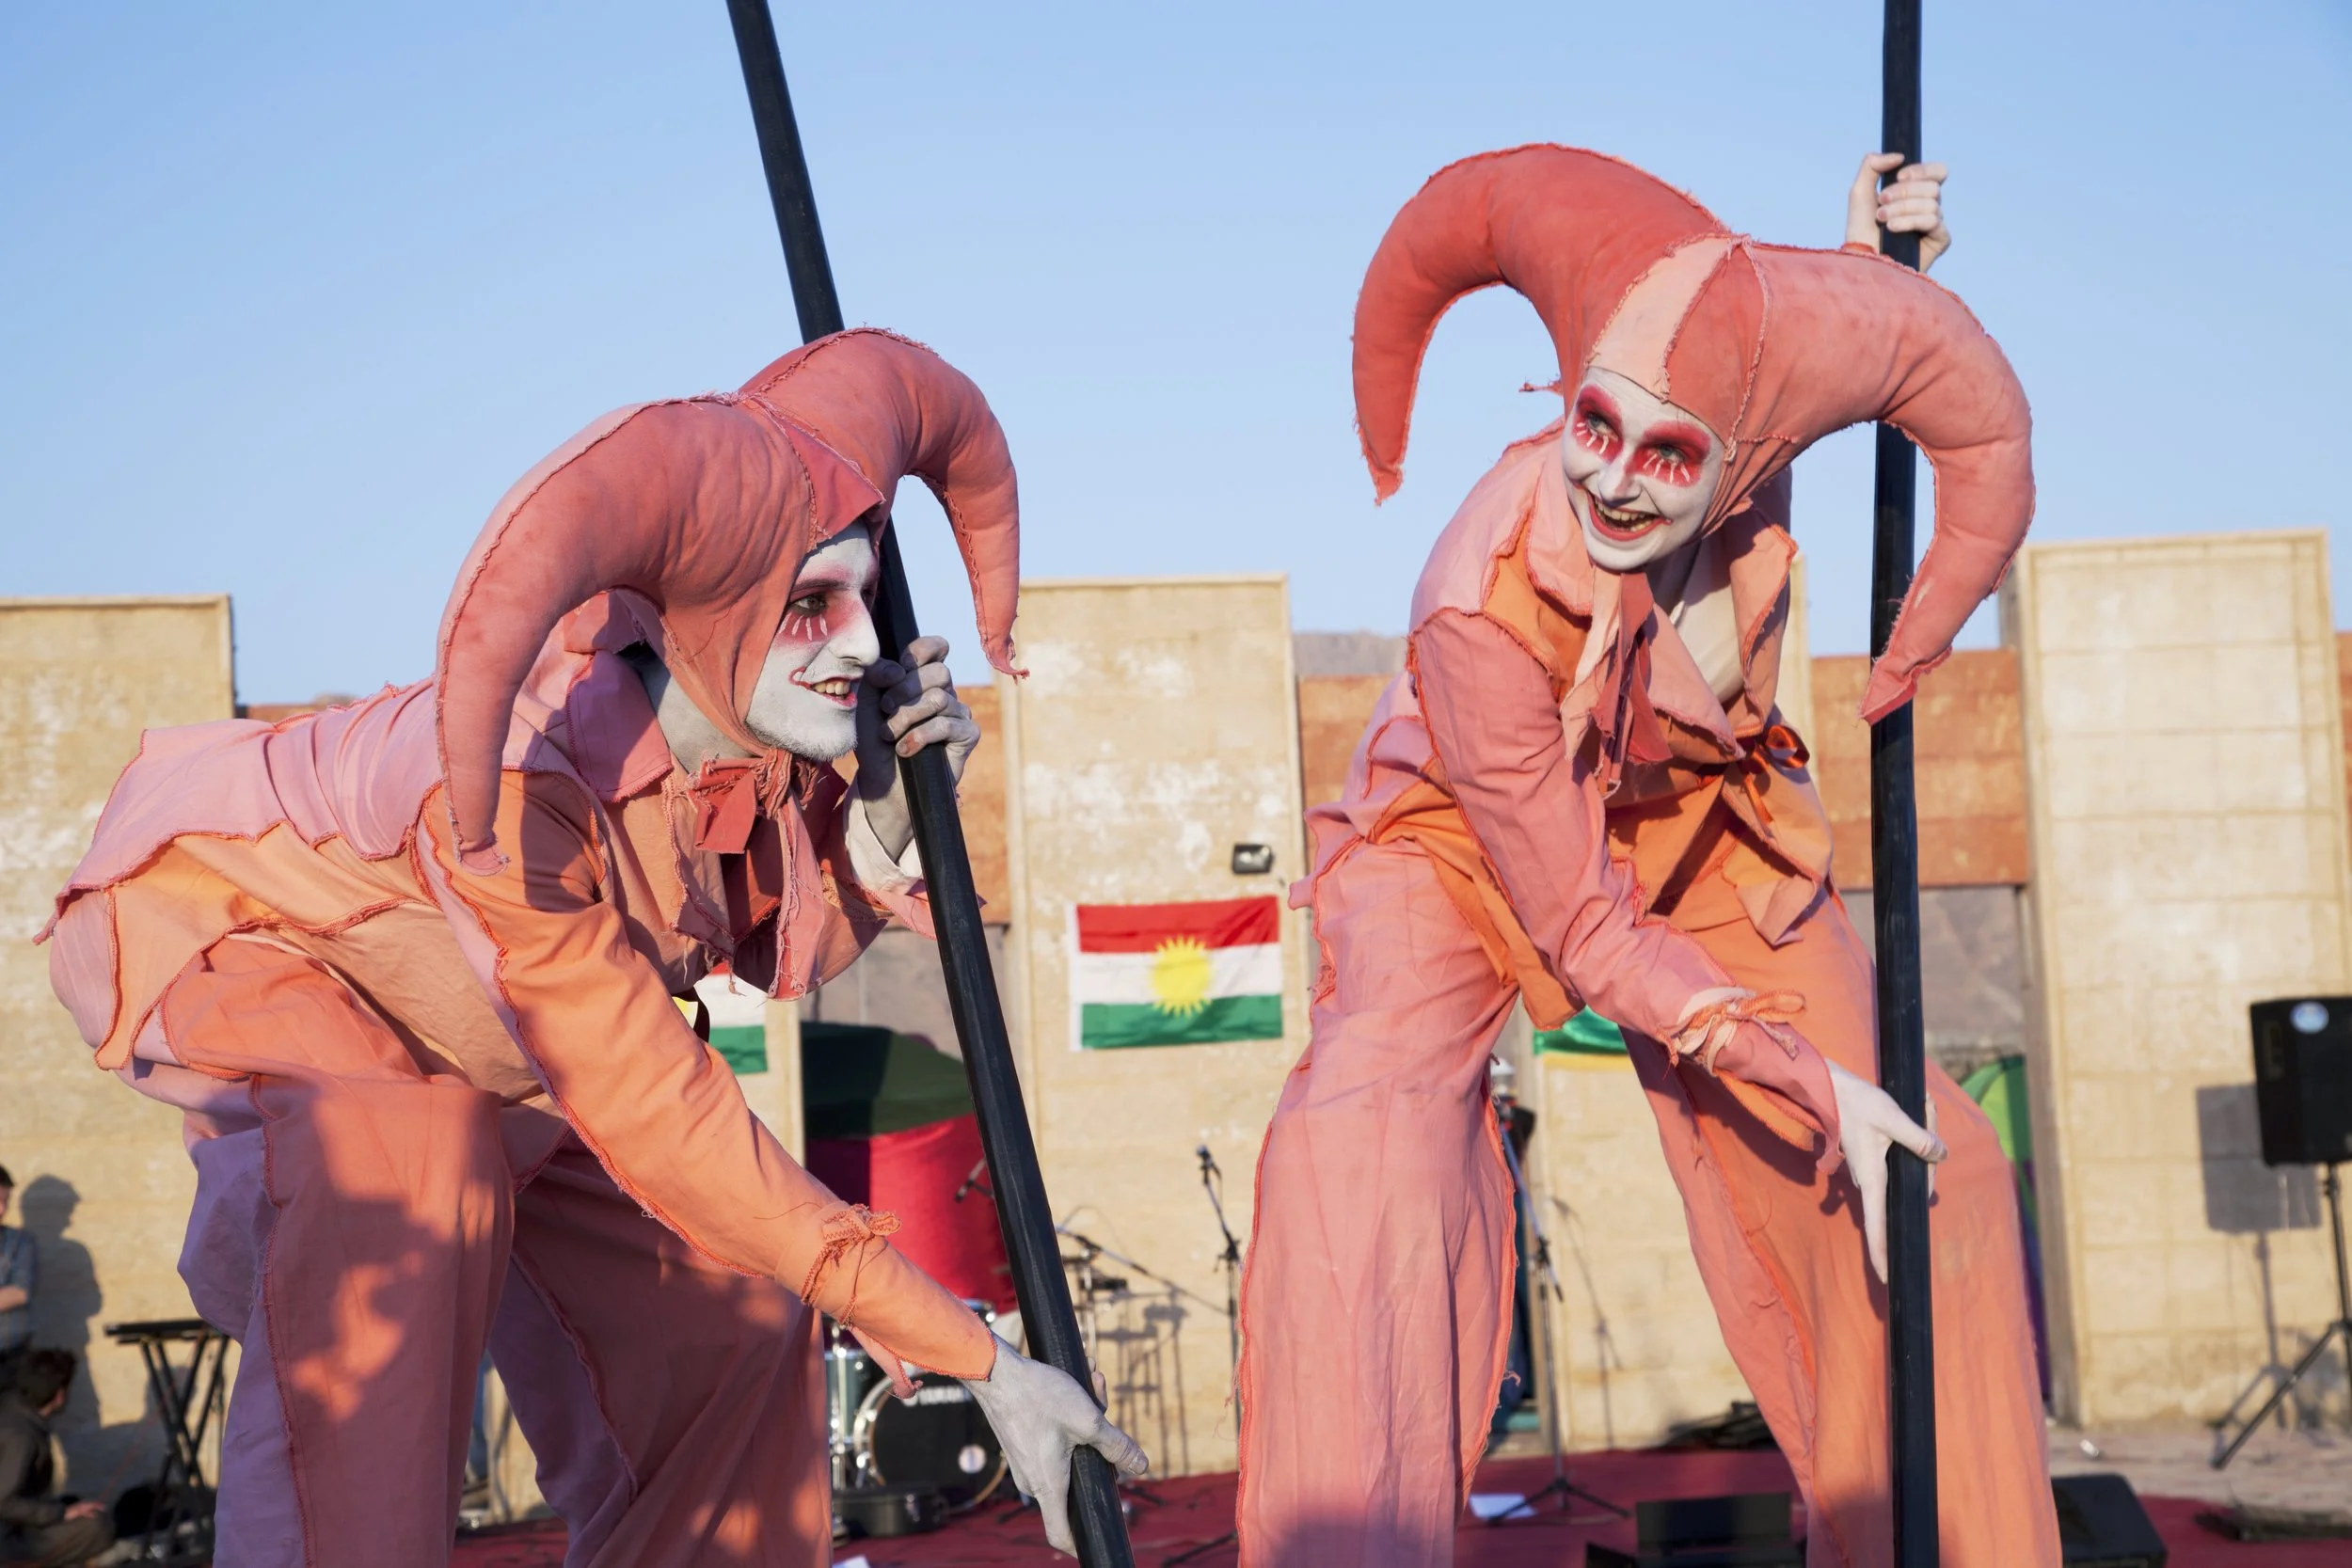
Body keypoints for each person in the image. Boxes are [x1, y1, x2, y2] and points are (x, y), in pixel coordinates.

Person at [43, 329, 1143, 1568]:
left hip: (497, 1053)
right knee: (412, 1156)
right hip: (265, 949)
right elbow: (658, 1104)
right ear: (710, 609)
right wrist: (978, 1356)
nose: (855, 641)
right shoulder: (519, 778)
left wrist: (879, 823)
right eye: (808, 604)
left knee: (734, 1317)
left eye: (861, 594)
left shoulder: (748, 753)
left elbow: (770, 957)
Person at [1236, 149, 2058, 1566]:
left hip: (1697, 824)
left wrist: (1870, 271)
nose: (1615, 480)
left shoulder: (1752, 429)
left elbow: (1810, 352)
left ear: (1735, 457)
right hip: (1463, 837)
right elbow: (1585, 929)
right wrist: (1805, 1074)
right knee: (1357, 1161)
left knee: (1938, 1167)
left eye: (1667, 455)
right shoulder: (1476, 608)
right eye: (1595, 426)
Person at [0, 1350, 112, 1568]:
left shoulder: (12, 1409)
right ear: (59, 1395)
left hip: (15, 1524)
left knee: (78, 1504)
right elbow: (3, 1502)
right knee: (98, 1525)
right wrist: (61, 1513)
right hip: (8, 1539)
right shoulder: (21, 1436)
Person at [0, 1166, 32, 1383]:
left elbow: (20, 1292)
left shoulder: (19, 1242)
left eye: (6, 1201)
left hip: (11, 1357)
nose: (2, 1210)